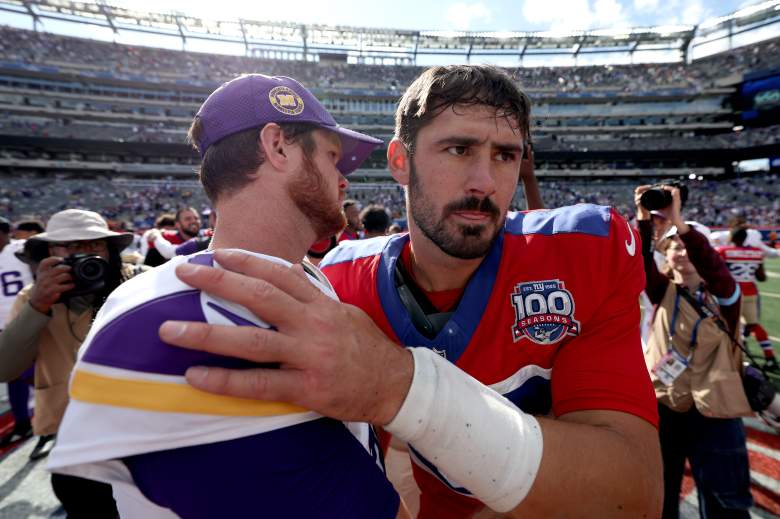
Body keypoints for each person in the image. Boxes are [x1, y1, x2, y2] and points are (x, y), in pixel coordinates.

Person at [157, 65, 663, 518]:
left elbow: (633, 493)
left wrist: (399, 385)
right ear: (400, 161)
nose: (485, 180)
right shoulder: (341, 280)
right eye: (459, 149)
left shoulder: (582, 250)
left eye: (505, 155)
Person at [49, 74, 408, 519]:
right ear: (277, 147)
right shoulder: (169, 315)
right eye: (333, 157)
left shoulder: (306, 274)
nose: (344, 179)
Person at [0, 209, 142, 516]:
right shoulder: (32, 298)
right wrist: (39, 305)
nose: (84, 256)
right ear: (51, 253)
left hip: (137, 432)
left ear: (109, 250)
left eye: (93, 246)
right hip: (72, 438)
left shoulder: (138, 286)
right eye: (71, 247)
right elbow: (5, 368)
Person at [636, 185, 753, 519]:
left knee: (723, 505)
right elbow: (641, 261)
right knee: (659, 497)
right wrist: (645, 219)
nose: (683, 252)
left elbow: (713, 270)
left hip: (716, 411)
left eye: (688, 245)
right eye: (675, 245)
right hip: (666, 404)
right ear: (667, 252)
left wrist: (681, 225)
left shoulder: (725, 297)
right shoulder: (662, 291)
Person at [717, 226, 776, 370]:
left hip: (732, 294)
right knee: (753, 324)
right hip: (750, 292)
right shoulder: (756, 252)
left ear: (732, 237)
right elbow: (761, 277)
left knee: (728, 325)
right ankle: (770, 357)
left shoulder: (724, 251)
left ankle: (732, 357)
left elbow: (718, 273)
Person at [0, 216, 34, 447]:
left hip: (31, 318)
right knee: (14, 374)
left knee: (49, 371)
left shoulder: (21, 249)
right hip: (5, 325)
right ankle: (23, 422)